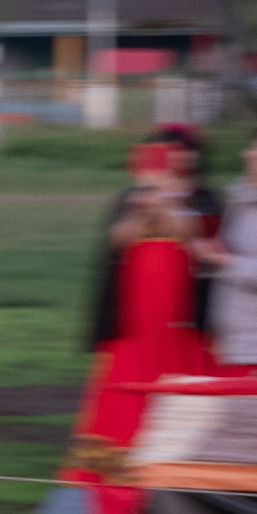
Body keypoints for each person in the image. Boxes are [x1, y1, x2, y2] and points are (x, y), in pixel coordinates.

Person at [66, 131, 220, 482]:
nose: (176, 160)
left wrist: (167, 202)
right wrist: (141, 208)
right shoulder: (131, 198)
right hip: (135, 314)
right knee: (125, 382)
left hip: (183, 318)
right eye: (167, 153)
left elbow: (190, 234)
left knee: (181, 383)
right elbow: (117, 240)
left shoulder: (205, 199)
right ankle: (116, 462)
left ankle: (179, 461)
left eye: (182, 153)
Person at [198, 135, 257, 369]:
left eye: (256, 149)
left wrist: (224, 261)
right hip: (233, 340)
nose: (247, 154)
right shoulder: (240, 198)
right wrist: (213, 254)